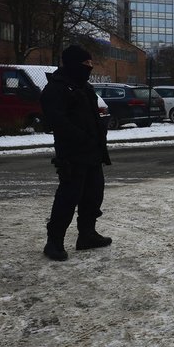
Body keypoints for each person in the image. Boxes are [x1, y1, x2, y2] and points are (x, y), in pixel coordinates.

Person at [41, 45, 112, 261]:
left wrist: (99, 134)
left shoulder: (85, 87)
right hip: (72, 154)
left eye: (90, 64)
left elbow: (94, 115)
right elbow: (57, 121)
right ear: (73, 64)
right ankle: (54, 242)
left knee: (93, 195)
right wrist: (82, 137)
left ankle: (87, 235)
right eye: (85, 64)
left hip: (93, 153)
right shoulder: (56, 88)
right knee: (68, 198)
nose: (89, 68)